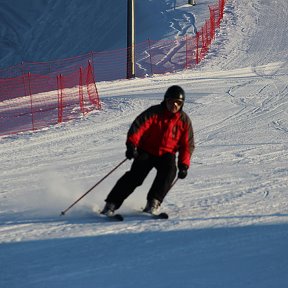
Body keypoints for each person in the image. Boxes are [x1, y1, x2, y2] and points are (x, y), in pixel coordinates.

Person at [101, 85, 195, 216]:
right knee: (135, 177)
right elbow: (138, 127)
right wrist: (131, 146)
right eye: (171, 101)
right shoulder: (154, 112)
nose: (174, 105)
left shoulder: (184, 121)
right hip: (146, 150)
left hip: (167, 153)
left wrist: (184, 165)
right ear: (165, 100)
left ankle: (153, 203)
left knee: (169, 172)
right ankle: (111, 204)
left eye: (178, 103)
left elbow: (187, 144)